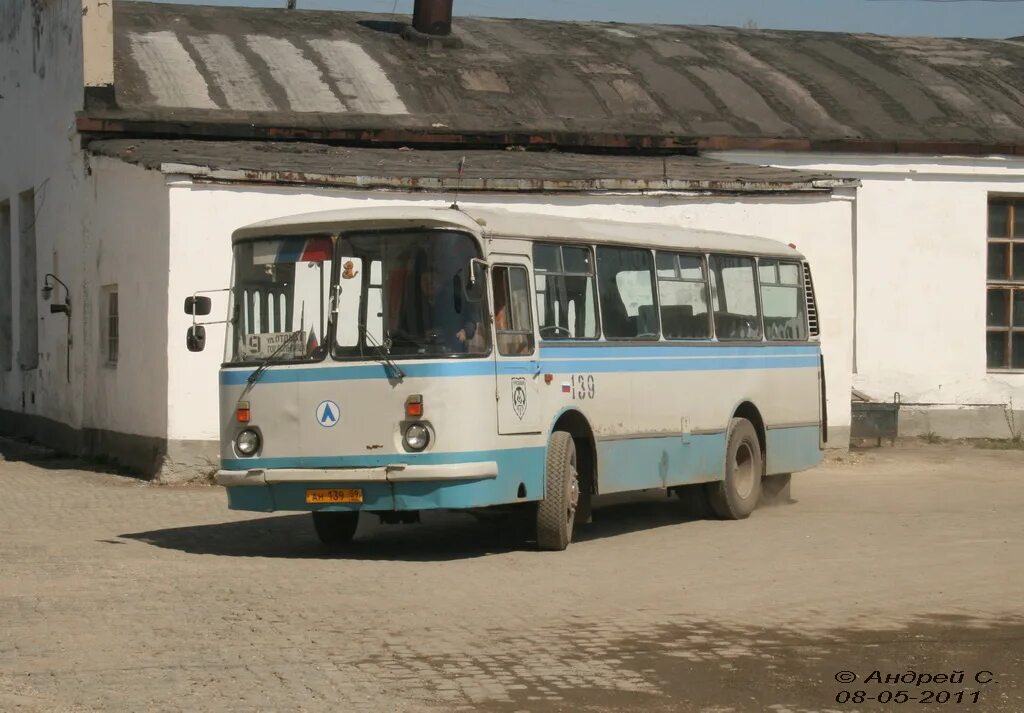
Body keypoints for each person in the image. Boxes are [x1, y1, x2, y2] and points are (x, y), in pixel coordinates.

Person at [412, 267, 478, 352]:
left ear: (440, 281)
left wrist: (465, 332)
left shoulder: (455, 300)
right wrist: (423, 335)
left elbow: (471, 320)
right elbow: (405, 332)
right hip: (422, 354)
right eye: (425, 280)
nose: (429, 283)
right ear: (420, 283)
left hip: (454, 352)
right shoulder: (414, 306)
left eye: (432, 279)